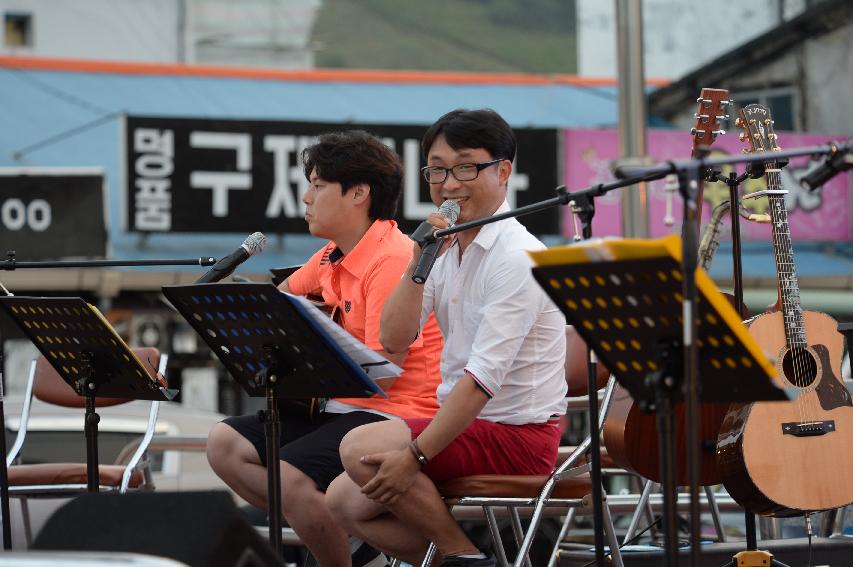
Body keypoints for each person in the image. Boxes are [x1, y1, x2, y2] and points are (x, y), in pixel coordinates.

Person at [326, 109, 568, 567]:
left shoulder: (518, 258)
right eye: (437, 169)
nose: (449, 183)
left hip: (519, 437)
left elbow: (480, 381)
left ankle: (459, 554)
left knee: (360, 448)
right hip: (469, 429)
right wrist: (419, 258)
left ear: (503, 171)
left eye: (464, 167)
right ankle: (467, 560)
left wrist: (414, 455)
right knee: (343, 502)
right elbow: (394, 338)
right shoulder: (444, 247)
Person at [206, 130, 443, 567]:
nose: (306, 197)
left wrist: (313, 347)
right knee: (225, 444)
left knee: (288, 474)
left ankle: (347, 559)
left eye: (317, 186)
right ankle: (355, 544)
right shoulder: (331, 254)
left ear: (358, 193)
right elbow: (277, 309)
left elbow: (386, 366)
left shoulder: (390, 257)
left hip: (391, 411)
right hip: (337, 410)